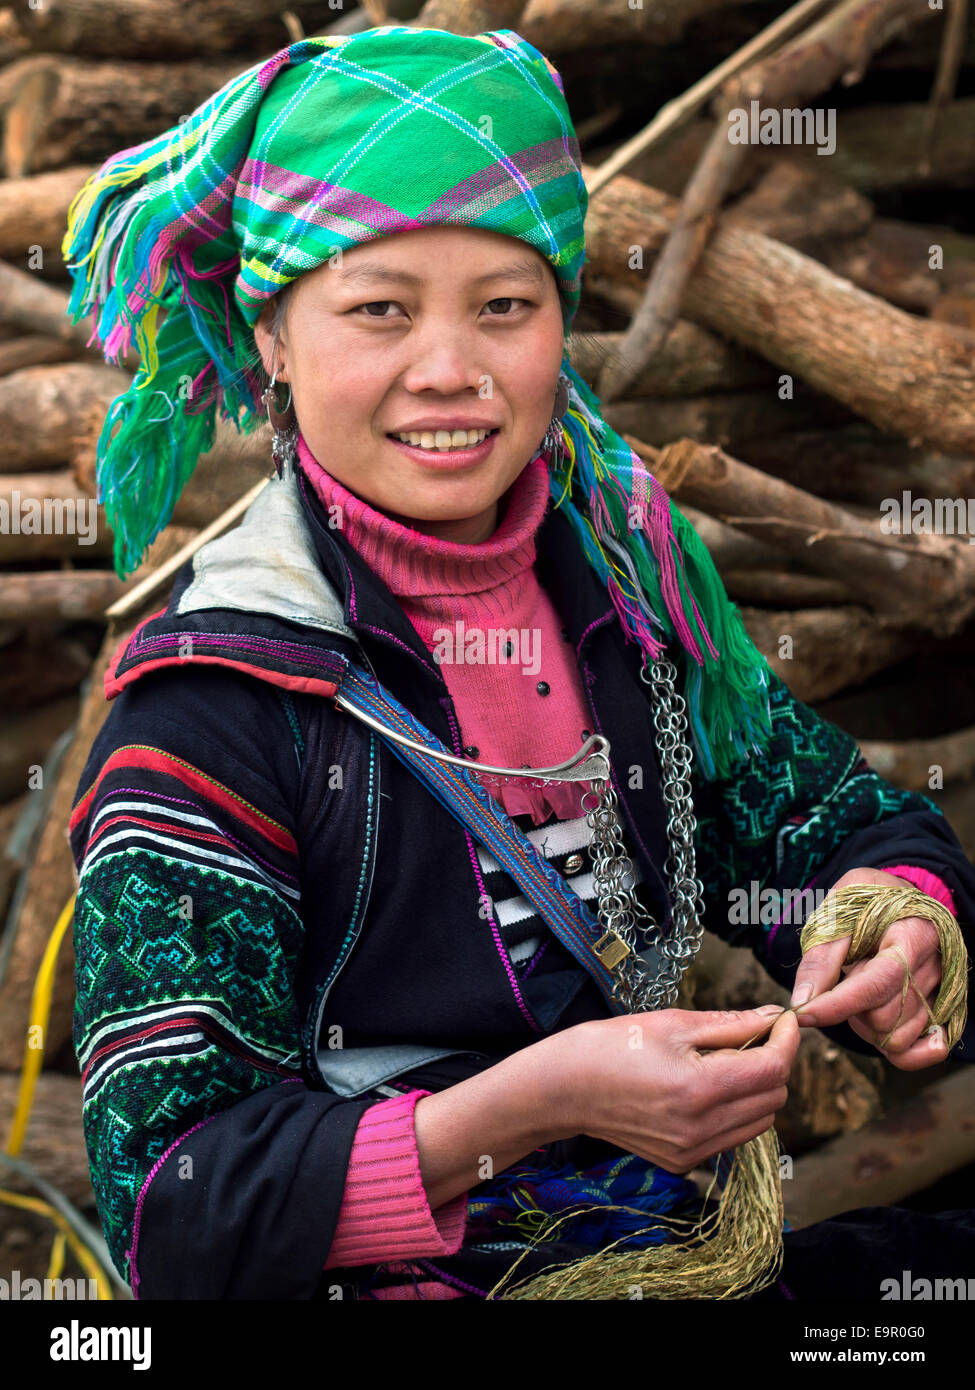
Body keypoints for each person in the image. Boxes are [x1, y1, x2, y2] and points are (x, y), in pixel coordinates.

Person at [64, 26, 975, 1301]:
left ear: (562, 316)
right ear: (269, 332)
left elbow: (839, 823)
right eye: (377, 308)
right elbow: (178, 1215)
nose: (451, 370)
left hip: (668, 1258)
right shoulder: (211, 721)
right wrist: (531, 1106)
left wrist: (890, 921)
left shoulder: (627, 598)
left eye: (506, 306)